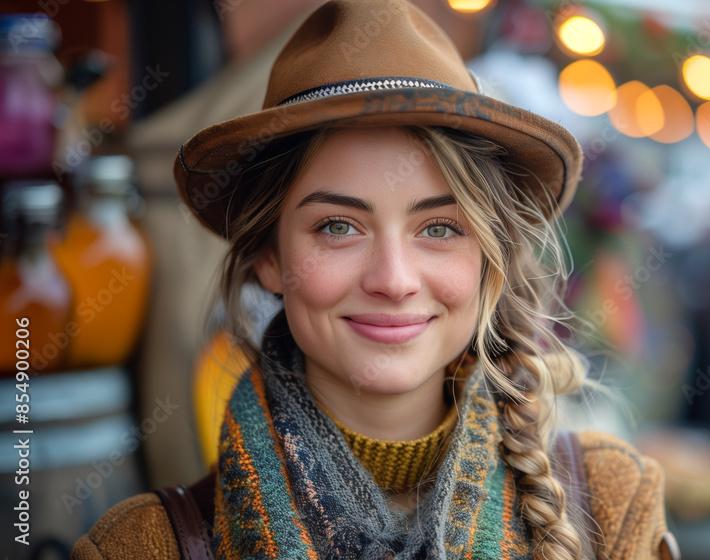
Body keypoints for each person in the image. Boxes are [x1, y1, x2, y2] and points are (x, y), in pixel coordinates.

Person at [71, 1, 679, 559]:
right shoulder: (140, 546)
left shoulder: (611, 502)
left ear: (489, 256)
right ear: (268, 256)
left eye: (439, 228)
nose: (394, 280)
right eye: (338, 226)